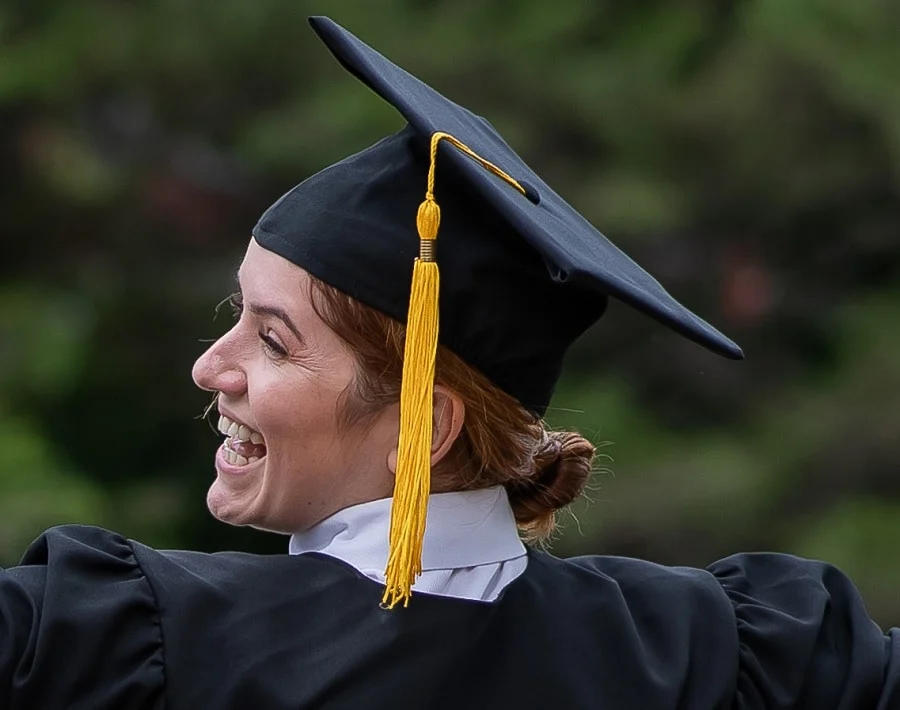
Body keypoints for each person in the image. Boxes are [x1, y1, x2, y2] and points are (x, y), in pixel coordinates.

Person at [1, 15, 897, 710]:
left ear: (423, 428)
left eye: (271, 339)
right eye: (238, 314)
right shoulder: (721, 653)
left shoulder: (143, 644)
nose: (209, 365)